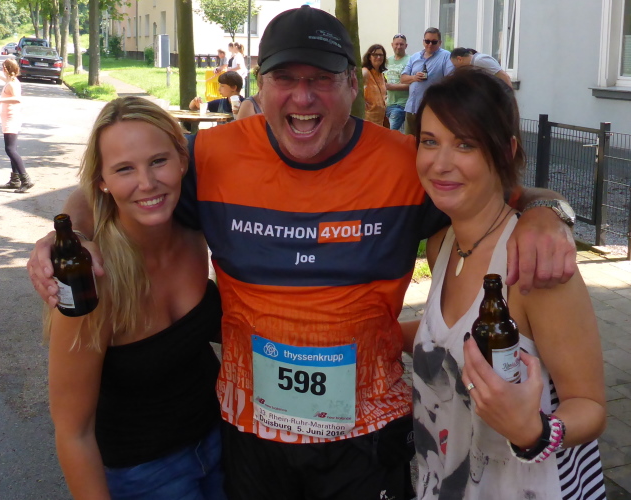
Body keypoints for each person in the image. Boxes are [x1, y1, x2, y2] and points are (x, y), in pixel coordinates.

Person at [28, 6, 578, 499]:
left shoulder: (405, 162)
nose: (303, 96)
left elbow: (500, 192)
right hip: (250, 433)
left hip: (366, 436)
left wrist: (548, 214)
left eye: (322, 79)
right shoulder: (212, 156)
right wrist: (68, 232)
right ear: (260, 85)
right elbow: (125, 180)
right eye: (285, 79)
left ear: (354, 86)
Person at [407, 69, 605, 499]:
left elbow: (590, 406)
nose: (440, 163)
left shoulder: (535, 265)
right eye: (429, 141)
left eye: (465, 144)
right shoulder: (442, 246)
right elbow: (455, 338)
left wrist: (535, 431)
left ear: (505, 151)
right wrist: (375, 332)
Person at [47, 96, 227, 500]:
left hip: (222, 444)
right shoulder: (93, 279)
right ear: (103, 181)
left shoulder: (194, 233)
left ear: (182, 160)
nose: (147, 183)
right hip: (145, 475)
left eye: (158, 161)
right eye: (124, 169)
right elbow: (73, 431)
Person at [0, 59, 34, 193]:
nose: (2, 69)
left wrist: (0, 100)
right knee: (11, 149)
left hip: (11, 119)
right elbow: (3, 78)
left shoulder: (13, 84)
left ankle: (26, 180)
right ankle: (15, 181)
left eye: (3, 67)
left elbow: (18, 99)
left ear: (7, 69)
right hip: (8, 119)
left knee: (10, 149)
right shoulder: (10, 81)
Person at [401, 27, 455, 135]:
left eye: (434, 42)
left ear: (440, 43)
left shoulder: (446, 56)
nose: (430, 44)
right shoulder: (415, 57)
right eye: (427, 41)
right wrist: (414, 77)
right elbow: (403, 78)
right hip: (411, 107)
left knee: (426, 139)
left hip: (431, 109)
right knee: (409, 141)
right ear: (423, 41)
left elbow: (450, 80)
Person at [385, 34, 410, 132]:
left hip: (401, 104)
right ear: (392, 45)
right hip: (387, 103)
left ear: (406, 46)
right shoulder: (387, 61)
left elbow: (412, 84)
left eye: (401, 44)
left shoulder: (410, 60)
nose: (398, 47)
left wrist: (391, 87)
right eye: (396, 44)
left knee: (389, 132)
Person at [361, 44, 388, 128]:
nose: (378, 57)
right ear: (369, 57)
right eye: (375, 55)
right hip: (368, 119)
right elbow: (353, 86)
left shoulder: (381, 75)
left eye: (381, 55)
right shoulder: (365, 72)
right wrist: (361, 102)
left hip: (379, 120)